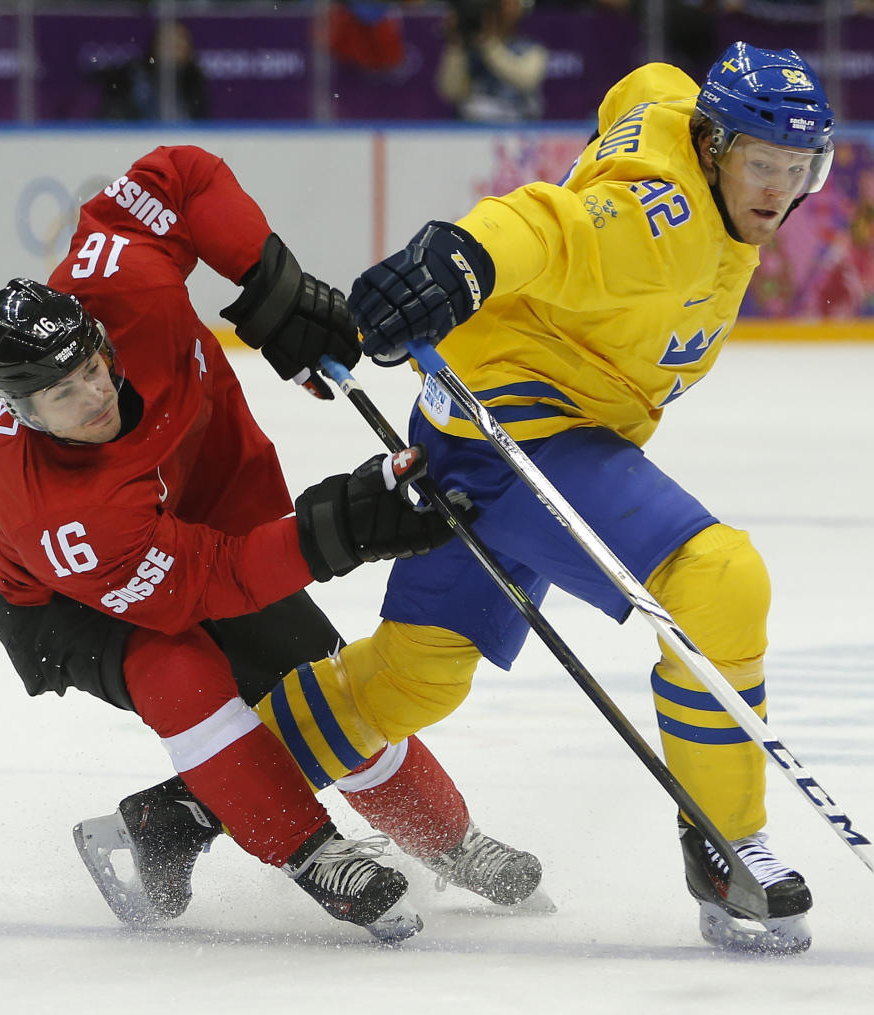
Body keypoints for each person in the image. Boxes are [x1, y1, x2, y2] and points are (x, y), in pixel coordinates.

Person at [253, 43, 835, 954]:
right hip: (517, 424)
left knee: (416, 673)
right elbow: (555, 226)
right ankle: (727, 848)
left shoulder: (673, 107)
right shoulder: (668, 219)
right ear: (714, 147)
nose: (778, 189)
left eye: (799, 170)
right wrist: (463, 261)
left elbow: (640, 83)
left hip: (485, 413)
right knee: (716, 578)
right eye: (761, 164)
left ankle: (189, 803)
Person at [0, 145, 543, 942]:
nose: (97, 394)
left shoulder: (121, 281)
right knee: (184, 673)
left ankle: (443, 839)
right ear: (26, 413)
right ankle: (312, 853)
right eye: (64, 396)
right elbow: (208, 586)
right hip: (66, 600)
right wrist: (342, 528)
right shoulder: (60, 513)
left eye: (94, 366)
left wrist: (272, 285)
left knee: (314, 678)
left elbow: (182, 174)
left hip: (200, 514)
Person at [435, 0, 549, 122]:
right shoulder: (468, 50)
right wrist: (456, 43)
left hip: (520, 125)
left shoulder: (530, 48)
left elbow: (527, 80)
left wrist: (488, 43)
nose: (503, 11)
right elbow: (451, 92)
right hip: (474, 128)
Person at [98, 20, 211, 122]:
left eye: (180, 44)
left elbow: (202, 121)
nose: (174, 49)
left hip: (181, 138)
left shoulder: (194, 80)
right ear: (155, 46)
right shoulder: (132, 76)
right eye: (169, 43)